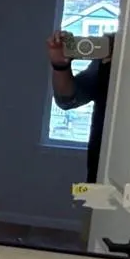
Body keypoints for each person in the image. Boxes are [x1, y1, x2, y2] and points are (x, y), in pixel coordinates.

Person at [48, 30, 110, 181]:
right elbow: (68, 99)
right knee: (102, 200)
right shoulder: (112, 49)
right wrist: (60, 65)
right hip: (105, 161)